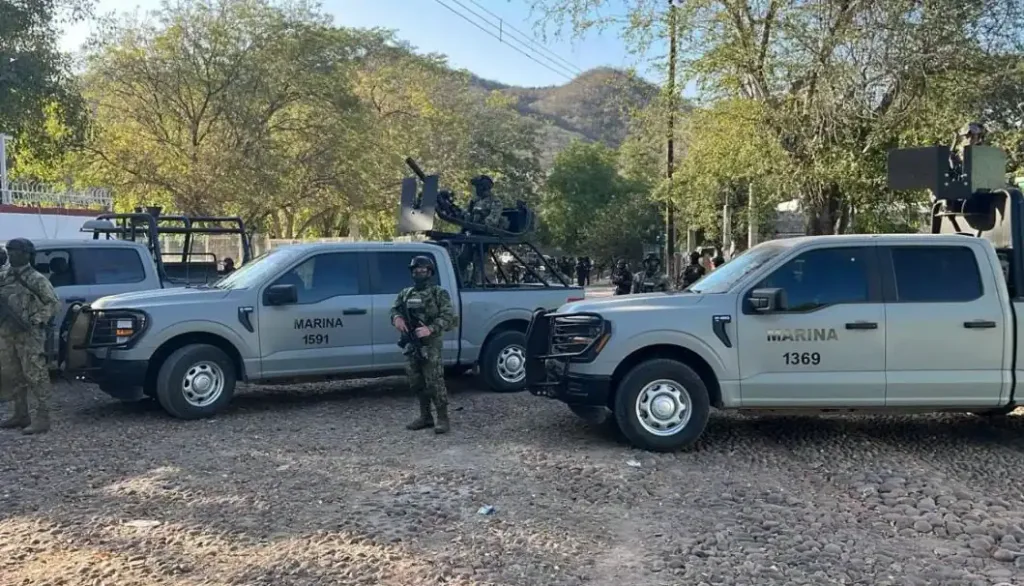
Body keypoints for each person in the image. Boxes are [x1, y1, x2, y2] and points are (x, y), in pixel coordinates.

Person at [390, 256, 459, 434]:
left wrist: (430, 329)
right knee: (416, 380)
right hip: (412, 343)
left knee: (434, 380)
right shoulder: (406, 293)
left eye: (422, 270)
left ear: (429, 272)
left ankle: (442, 418)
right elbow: (394, 309)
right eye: (415, 270)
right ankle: (425, 416)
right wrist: (396, 318)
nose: (418, 273)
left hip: (430, 344)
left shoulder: (438, 293)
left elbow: (448, 317)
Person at [0, 238, 61, 434]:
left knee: (35, 375)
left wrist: (36, 319)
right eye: (10, 250)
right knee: (12, 374)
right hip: (6, 333)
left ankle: (43, 418)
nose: (11, 254)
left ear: (27, 254)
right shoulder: (4, 276)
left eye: (16, 251)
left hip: (28, 334)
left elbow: (53, 303)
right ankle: (21, 414)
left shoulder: (36, 279)